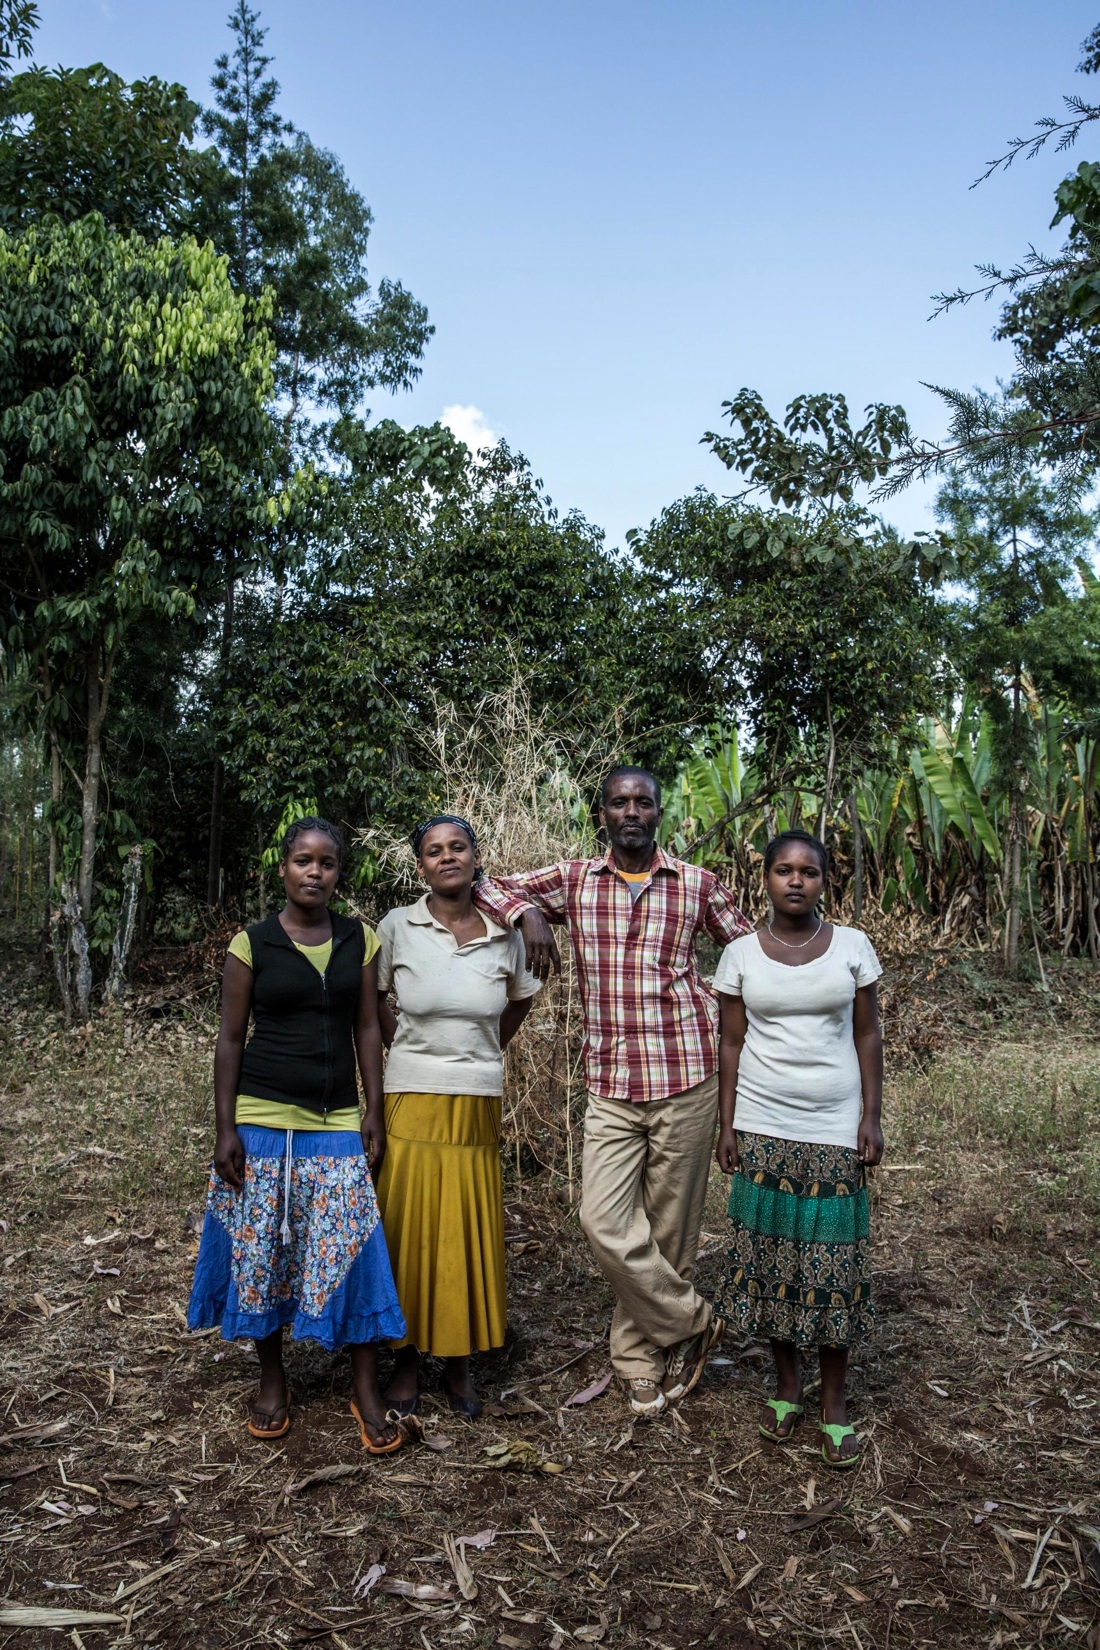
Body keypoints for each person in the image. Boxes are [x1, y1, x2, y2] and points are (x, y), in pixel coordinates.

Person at [473, 767, 751, 1417]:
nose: (631, 811)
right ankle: (693, 1321)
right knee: (603, 1222)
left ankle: (638, 1362)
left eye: (643, 802)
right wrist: (526, 916)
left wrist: (711, 1004)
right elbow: (484, 884)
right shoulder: (575, 881)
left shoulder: (696, 885)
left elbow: (750, 955)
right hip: (611, 1079)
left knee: (669, 1233)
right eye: (619, 802)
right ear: (601, 814)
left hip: (686, 1074)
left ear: (660, 814)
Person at [187, 817, 407, 1454]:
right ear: (282, 868)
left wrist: (374, 1109)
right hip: (260, 1118)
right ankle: (273, 1378)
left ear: (339, 872)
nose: (315, 872)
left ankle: (365, 1388)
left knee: (356, 1246)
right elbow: (230, 1039)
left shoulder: (358, 940)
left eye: (328, 863)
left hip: (336, 1118)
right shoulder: (250, 944)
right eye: (303, 861)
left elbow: (369, 1028)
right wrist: (226, 1128)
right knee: (263, 1255)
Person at [712, 828, 883, 1470]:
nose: (794, 881)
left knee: (833, 1264)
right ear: (766, 878)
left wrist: (871, 1116)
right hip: (763, 1120)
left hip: (835, 1122)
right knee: (773, 1258)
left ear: (824, 881)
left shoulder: (853, 948)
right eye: (782, 869)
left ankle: (834, 1400)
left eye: (808, 872)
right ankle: (788, 1385)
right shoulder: (738, 955)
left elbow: (867, 1035)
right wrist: (727, 1126)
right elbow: (730, 1043)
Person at [374, 814, 540, 1419]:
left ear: (475, 857)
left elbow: (519, 999)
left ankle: (461, 1361)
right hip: (410, 1092)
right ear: (420, 865)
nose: (447, 858)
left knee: (464, 1226)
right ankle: (407, 1360)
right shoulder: (398, 926)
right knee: (410, 1226)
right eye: (433, 851)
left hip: (476, 1096)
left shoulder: (507, 931)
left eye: (458, 847)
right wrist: (409, 1048)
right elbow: (371, 1003)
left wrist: (482, 1049)